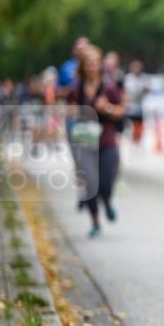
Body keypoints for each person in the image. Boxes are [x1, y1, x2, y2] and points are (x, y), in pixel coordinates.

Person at [67, 45, 125, 238]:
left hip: (106, 139)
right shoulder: (76, 89)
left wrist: (107, 107)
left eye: (95, 62)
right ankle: (95, 222)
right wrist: (74, 112)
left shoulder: (109, 87)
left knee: (106, 181)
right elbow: (69, 111)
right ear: (83, 65)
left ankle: (107, 201)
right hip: (85, 141)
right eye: (88, 62)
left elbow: (121, 111)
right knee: (90, 184)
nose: (92, 66)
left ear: (101, 65)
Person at [123, 60, 148, 144]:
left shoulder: (144, 78)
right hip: (130, 106)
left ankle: (137, 140)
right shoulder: (129, 78)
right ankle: (131, 139)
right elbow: (125, 92)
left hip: (139, 107)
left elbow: (147, 90)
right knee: (129, 125)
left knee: (138, 125)